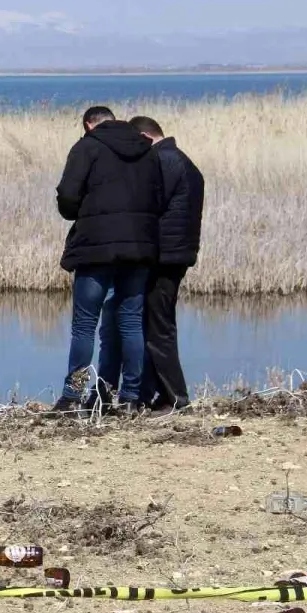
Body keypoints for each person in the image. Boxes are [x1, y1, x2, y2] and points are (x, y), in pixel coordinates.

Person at [52, 105, 162, 416]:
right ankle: (130, 398)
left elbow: (68, 196)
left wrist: (83, 212)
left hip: (95, 246)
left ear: (89, 125)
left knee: (85, 324)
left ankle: (72, 396)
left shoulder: (86, 147)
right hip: (139, 247)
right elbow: (158, 197)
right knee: (131, 322)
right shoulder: (146, 150)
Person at [127, 115, 205, 412]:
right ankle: (156, 394)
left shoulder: (163, 160)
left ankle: (175, 397)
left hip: (165, 254)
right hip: (177, 252)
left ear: (145, 138)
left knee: (159, 327)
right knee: (157, 322)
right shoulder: (181, 160)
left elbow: (151, 205)